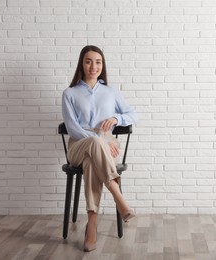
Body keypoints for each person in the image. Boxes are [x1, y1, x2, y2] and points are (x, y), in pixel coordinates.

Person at [62, 45, 137, 252]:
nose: (93, 66)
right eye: (88, 61)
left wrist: (116, 118)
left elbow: (133, 115)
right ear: (81, 64)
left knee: (91, 163)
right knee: (94, 144)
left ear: (102, 65)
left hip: (101, 151)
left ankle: (92, 225)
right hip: (79, 145)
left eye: (98, 62)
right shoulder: (69, 93)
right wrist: (103, 140)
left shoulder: (110, 91)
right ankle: (117, 193)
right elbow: (73, 129)